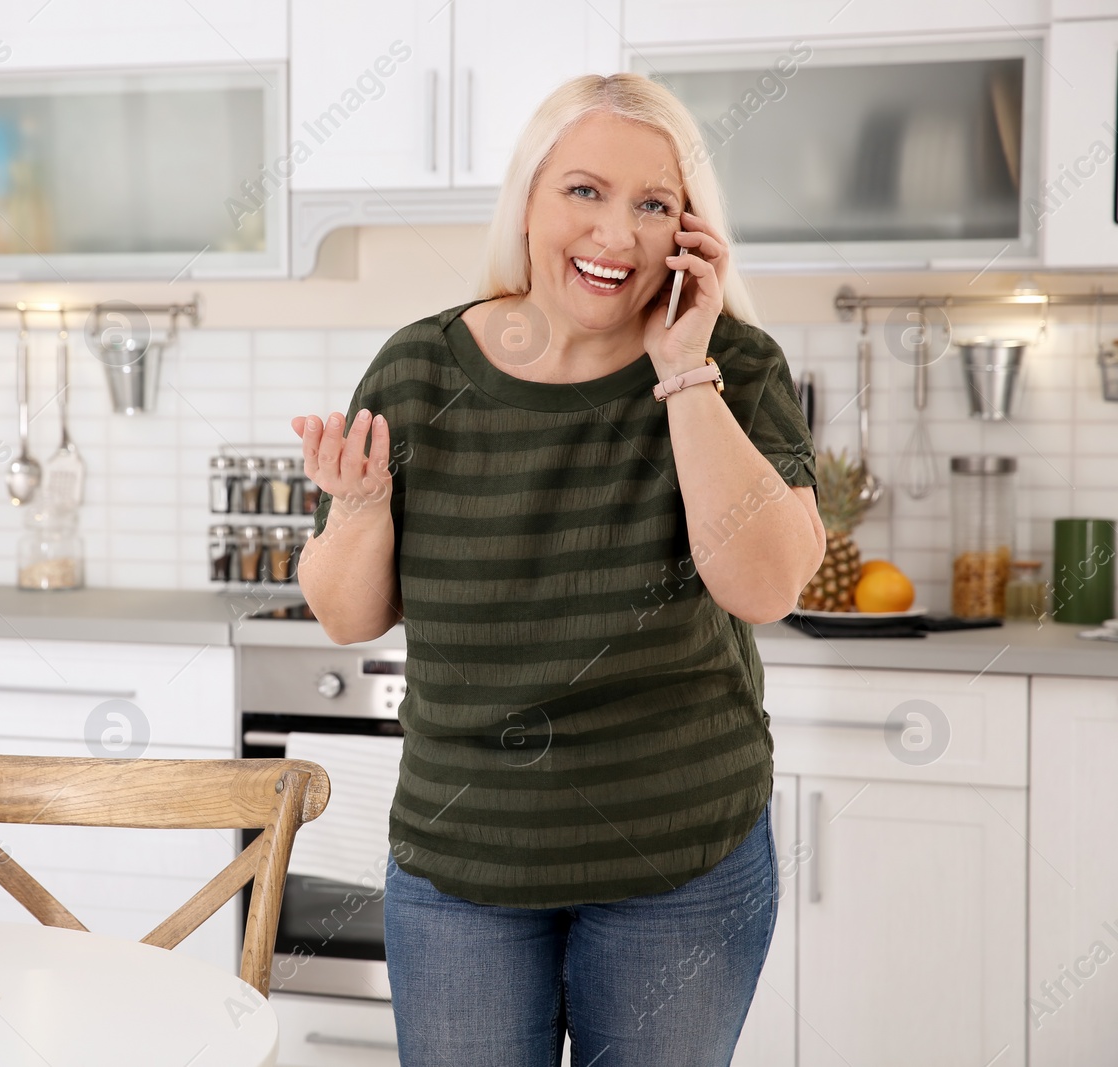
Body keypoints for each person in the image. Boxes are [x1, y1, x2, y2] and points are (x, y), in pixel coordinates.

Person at [289, 72, 827, 1067]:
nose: (615, 234)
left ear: (688, 230)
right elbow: (347, 612)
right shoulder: (418, 369)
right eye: (583, 190)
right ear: (528, 200)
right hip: (465, 861)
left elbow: (762, 587)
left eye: (652, 204)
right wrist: (360, 507)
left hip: (680, 859)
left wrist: (683, 371)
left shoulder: (733, 365)